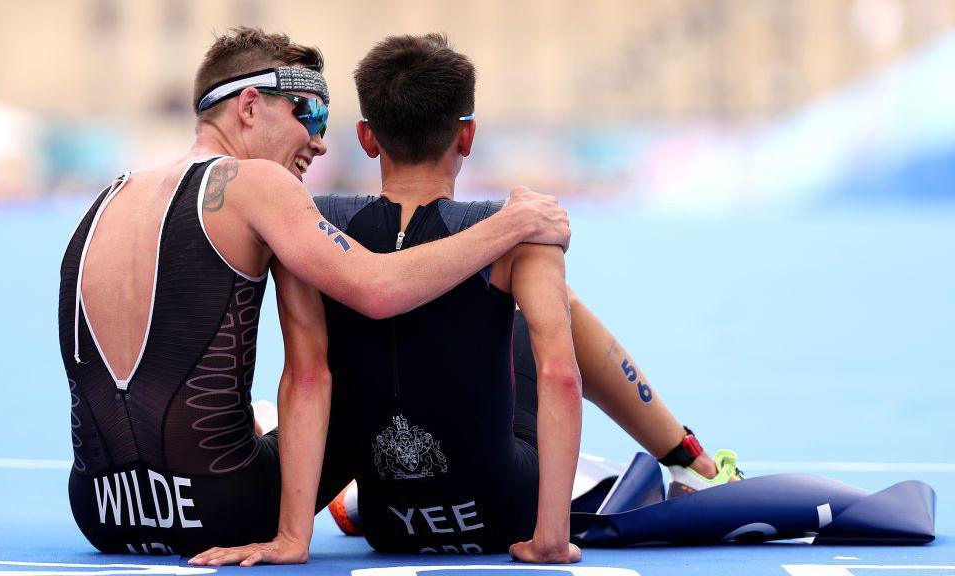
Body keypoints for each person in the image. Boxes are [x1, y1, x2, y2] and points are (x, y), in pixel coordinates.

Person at [189, 34, 741, 567]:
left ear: (366, 137)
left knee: (345, 355)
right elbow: (561, 379)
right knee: (545, 310)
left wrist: (293, 534)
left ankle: (358, 490)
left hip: (391, 522)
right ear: (468, 136)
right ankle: (689, 458)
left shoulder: (317, 221)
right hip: (505, 514)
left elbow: (305, 375)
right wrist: (550, 537)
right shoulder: (518, 226)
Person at [58, 27, 571, 559]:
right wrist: (510, 225)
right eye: (310, 114)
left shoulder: (109, 196)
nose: (320, 140)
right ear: (250, 106)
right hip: (222, 508)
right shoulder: (259, 183)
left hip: (99, 510)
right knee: (365, 371)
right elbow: (373, 292)